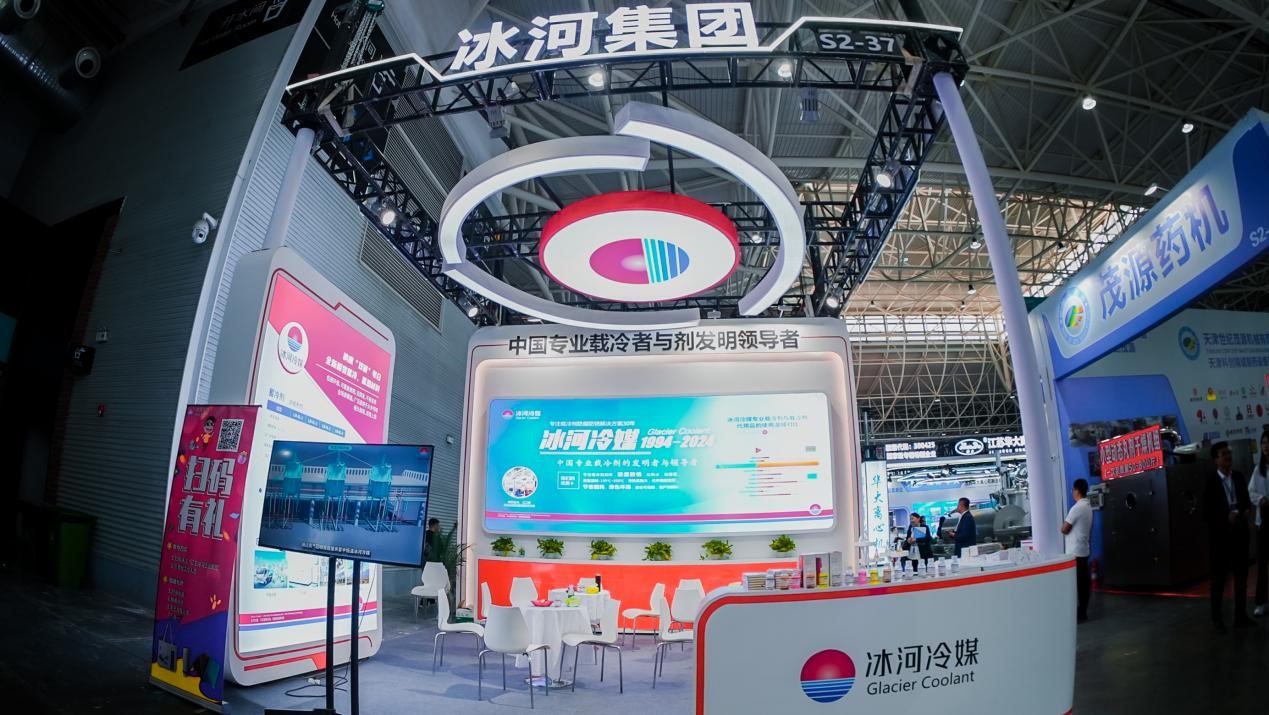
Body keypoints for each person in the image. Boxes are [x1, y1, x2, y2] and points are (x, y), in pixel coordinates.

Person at [1203, 441, 1253, 631]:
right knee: (1219, 579)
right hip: (1221, 537)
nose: (1228, 457)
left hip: (1240, 532)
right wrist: (1226, 517)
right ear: (1216, 460)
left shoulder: (1238, 477)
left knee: (1241, 576)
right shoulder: (1210, 482)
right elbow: (1207, 512)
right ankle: (1217, 619)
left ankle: (1241, 616)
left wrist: (1246, 510)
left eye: (1229, 453)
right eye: (1223, 454)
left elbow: (1246, 500)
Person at [1060, 479, 1093, 621]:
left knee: (1079, 585)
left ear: (1077, 490)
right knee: (1083, 584)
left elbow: (1064, 529)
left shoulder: (1077, 508)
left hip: (1075, 552)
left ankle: (1081, 614)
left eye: (1073, 489)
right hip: (1083, 550)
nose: (1072, 492)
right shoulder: (1088, 506)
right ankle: (1082, 611)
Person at [1247, 431, 1269, 616]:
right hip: (1263, 521)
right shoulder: (1258, 469)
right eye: (1264, 443)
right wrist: (1261, 499)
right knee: (1262, 563)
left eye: (1268, 443)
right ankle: (1262, 602)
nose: (1266, 446)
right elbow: (1251, 491)